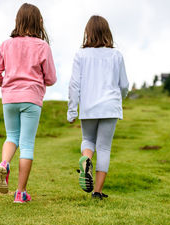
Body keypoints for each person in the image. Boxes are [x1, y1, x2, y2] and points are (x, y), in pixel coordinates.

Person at [0, 3, 56, 203]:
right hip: (31, 99)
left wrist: (7, 85)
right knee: (27, 144)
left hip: (9, 98)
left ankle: (4, 162)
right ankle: (20, 193)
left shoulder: (5, 45)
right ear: (39, 22)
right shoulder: (42, 46)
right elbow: (51, 79)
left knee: (11, 136)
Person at [67, 15, 129, 199]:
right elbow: (124, 84)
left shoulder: (81, 55)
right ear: (107, 32)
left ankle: (86, 160)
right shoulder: (116, 55)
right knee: (104, 148)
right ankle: (97, 192)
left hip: (89, 107)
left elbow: (74, 84)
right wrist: (121, 98)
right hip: (110, 107)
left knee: (88, 139)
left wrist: (72, 110)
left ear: (88, 33)